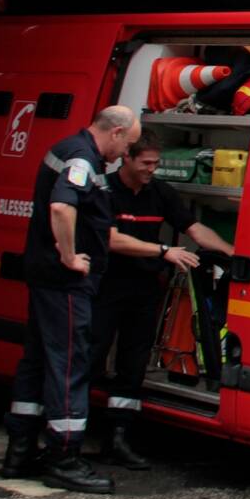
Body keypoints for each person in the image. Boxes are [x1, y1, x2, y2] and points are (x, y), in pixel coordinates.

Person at [0, 105, 141, 493]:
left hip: (48, 279)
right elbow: (62, 205)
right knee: (68, 364)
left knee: (37, 360)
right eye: (126, 145)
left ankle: (20, 449)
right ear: (114, 132)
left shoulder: (70, 149)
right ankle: (64, 456)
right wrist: (68, 255)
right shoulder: (81, 158)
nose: (124, 155)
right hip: (64, 282)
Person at [93, 130, 234, 469]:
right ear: (126, 158)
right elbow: (112, 240)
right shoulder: (106, 191)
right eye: (146, 163)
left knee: (132, 364)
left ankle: (118, 439)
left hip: (143, 290)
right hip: (107, 287)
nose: (151, 169)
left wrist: (233, 253)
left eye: (156, 163)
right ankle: (71, 436)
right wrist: (163, 251)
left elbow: (194, 229)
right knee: (89, 357)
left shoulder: (159, 193)